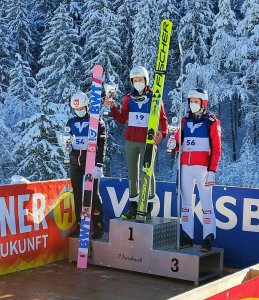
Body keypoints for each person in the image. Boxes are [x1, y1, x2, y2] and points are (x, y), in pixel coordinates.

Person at [108, 66, 168, 220]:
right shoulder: (128, 98)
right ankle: (133, 205)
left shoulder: (154, 97)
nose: (138, 82)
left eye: (140, 79)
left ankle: (148, 204)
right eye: (135, 80)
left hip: (147, 141)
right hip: (131, 141)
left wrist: (162, 134)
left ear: (146, 80)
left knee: (147, 172)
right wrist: (112, 108)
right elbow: (122, 119)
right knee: (132, 173)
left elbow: (162, 119)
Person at [172, 87, 222, 252]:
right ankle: (187, 236)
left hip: (203, 169)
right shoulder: (185, 121)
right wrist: (173, 144)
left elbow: (217, 149)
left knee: (206, 203)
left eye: (196, 101)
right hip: (186, 167)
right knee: (186, 204)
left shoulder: (212, 122)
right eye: (191, 101)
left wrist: (212, 171)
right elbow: (179, 141)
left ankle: (208, 238)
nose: (193, 104)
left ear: (203, 103)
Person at [66, 91, 107, 239]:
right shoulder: (71, 122)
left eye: (81, 108)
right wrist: (67, 146)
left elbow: (102, 144)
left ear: (87, 105)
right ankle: (80, 225)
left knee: (93, 195)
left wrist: (99, 164)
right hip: (75, 163)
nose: (78, 111)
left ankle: (98, 226)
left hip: (91, 163)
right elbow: (69, 141)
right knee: (77, 195)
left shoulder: (97, 121)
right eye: (76, 109)